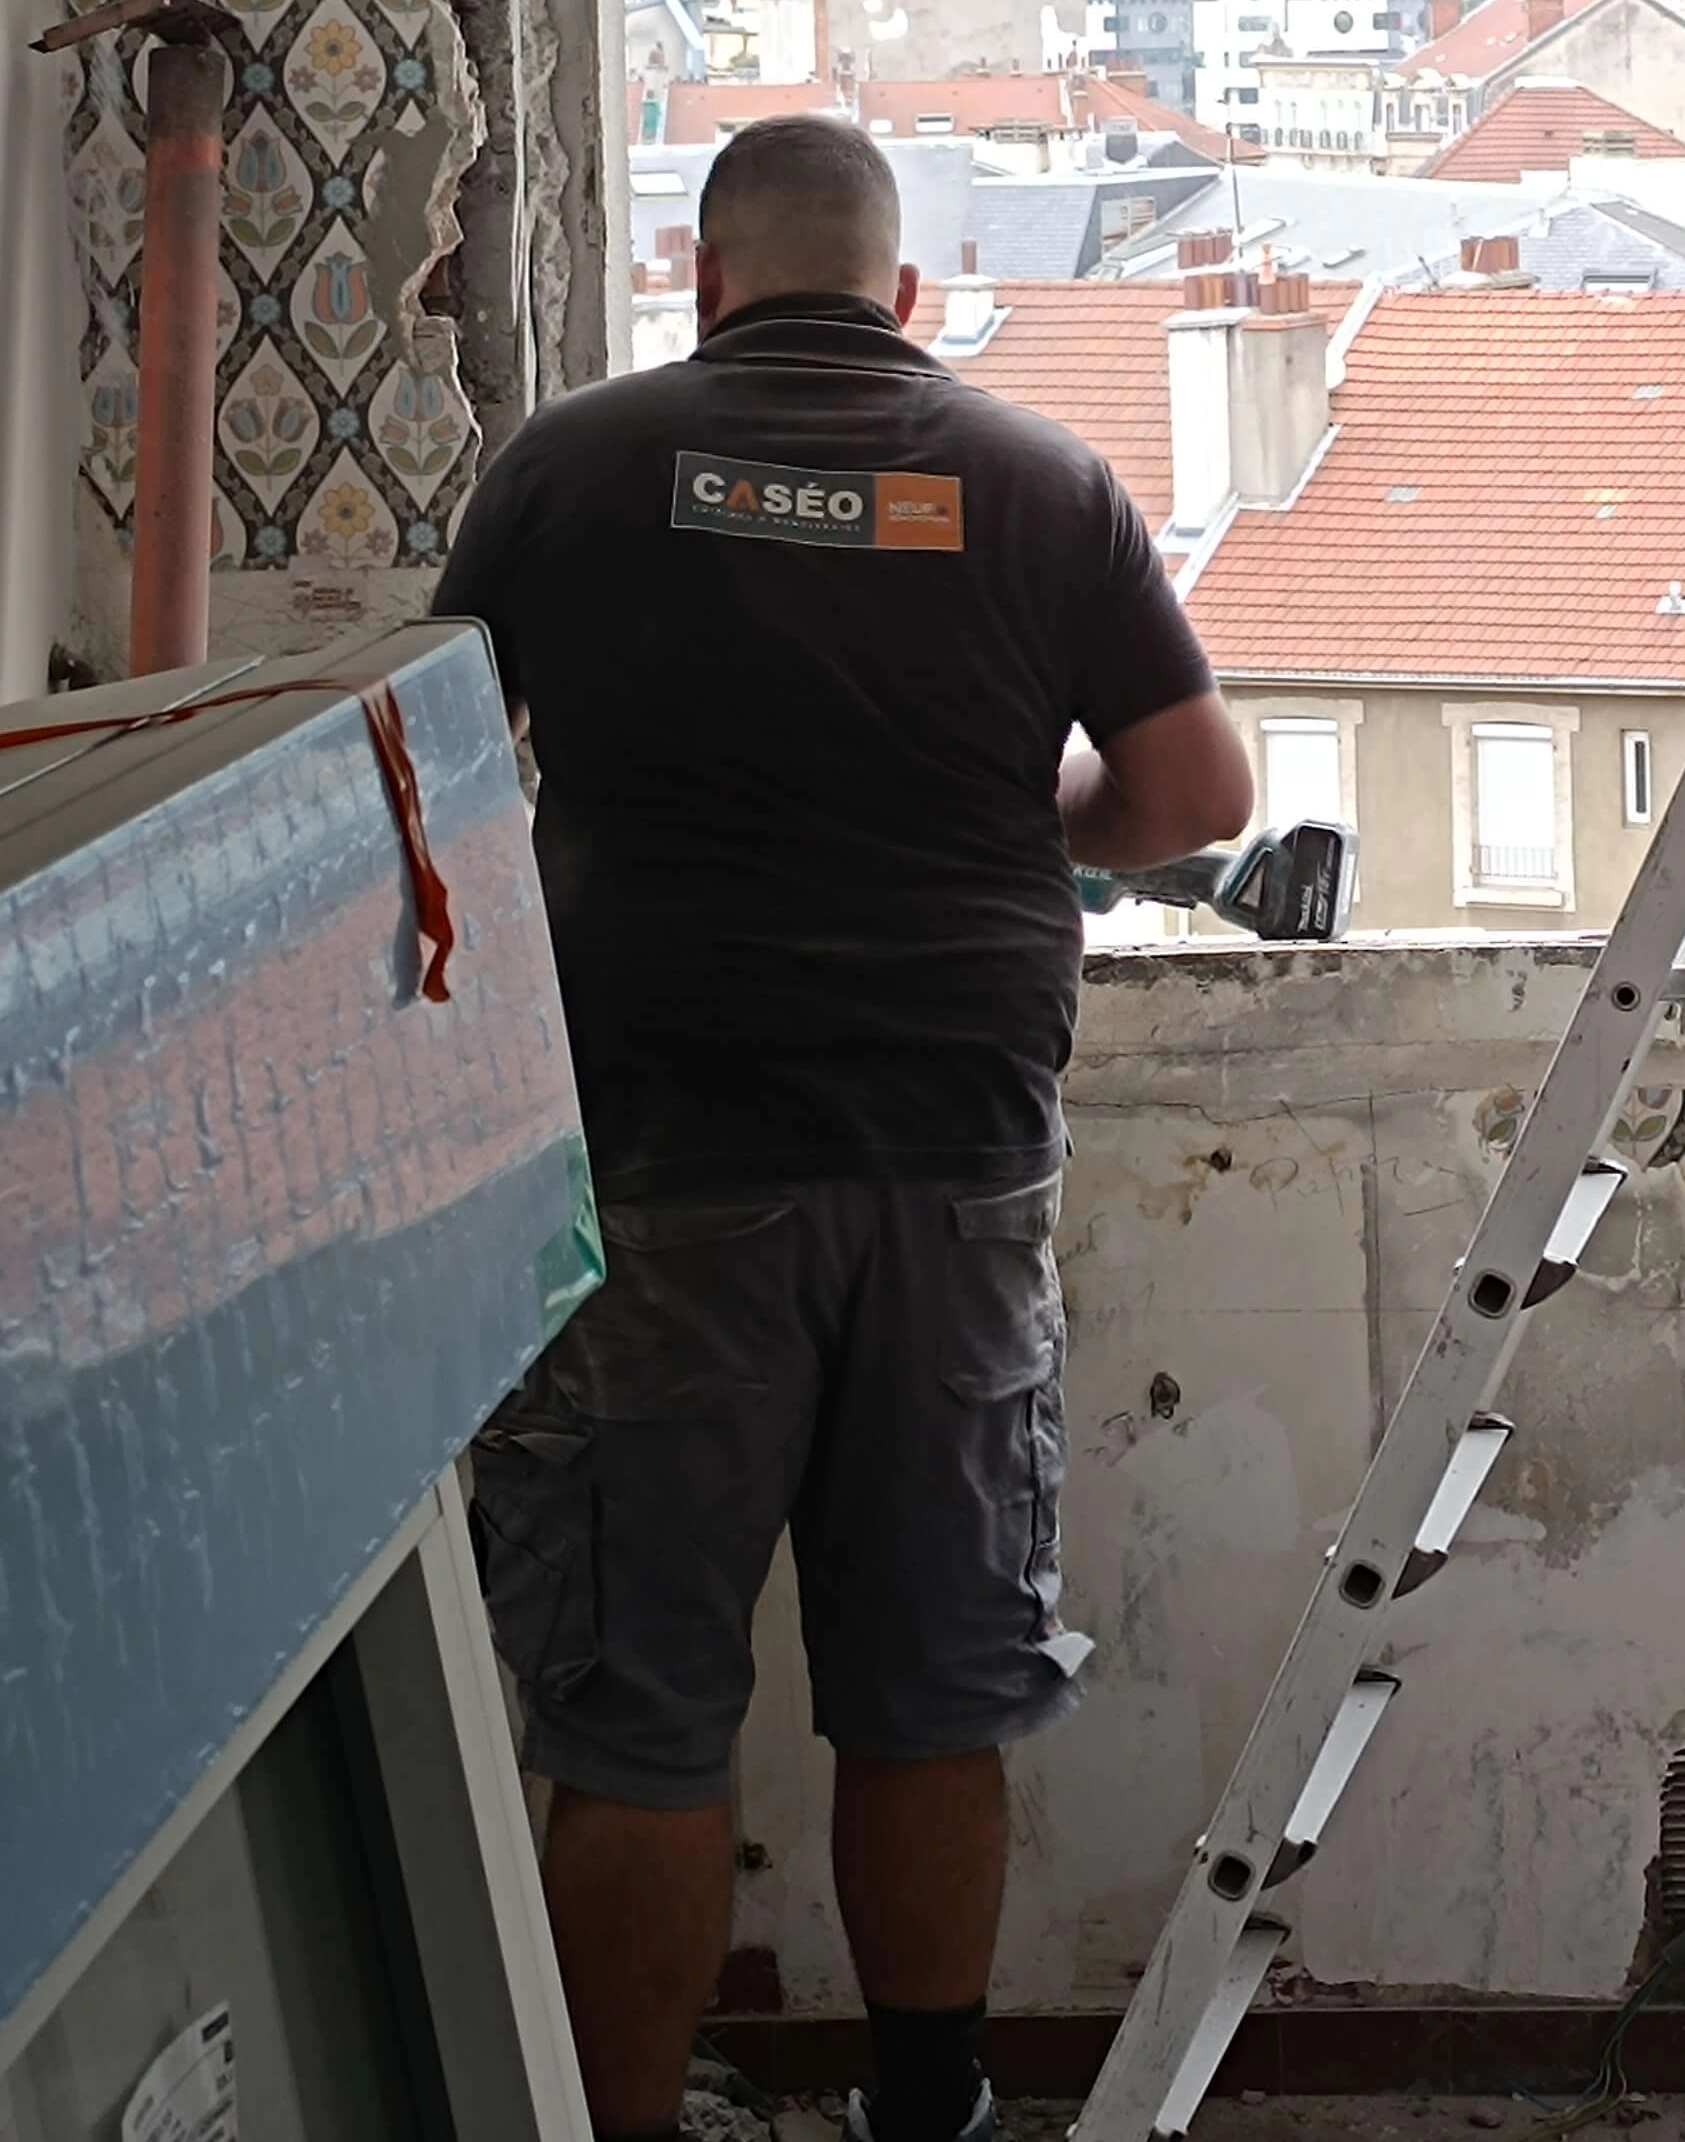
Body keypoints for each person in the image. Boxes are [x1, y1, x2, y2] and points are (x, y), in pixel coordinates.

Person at [436, 115, 1253, 2142]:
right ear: (903, 297)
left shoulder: (572, 470)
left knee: (633, 1718)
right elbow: (1198, 794)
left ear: (701, 283)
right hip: (952, 1156)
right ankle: (929, 2111)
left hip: (662, 1165)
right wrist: (1038, 839)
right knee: (930, 1685)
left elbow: (444, 781)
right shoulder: (1046, 484)